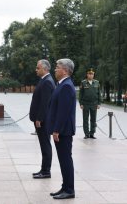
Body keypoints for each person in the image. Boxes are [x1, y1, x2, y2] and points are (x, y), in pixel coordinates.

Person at [47, 59, 76, 200]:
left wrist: (57, 130)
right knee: (63, 159)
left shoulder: (66, 86)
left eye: (58, 68)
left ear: (66, 70)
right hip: (61, 130)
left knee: (65, 160)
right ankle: (65, 187)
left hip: (63, 131)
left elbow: (63, 111)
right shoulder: (62, 85)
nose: (55, 70)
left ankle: (69, 189)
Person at [29, 60, 55, 179]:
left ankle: (46, 171)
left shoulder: (47, 82)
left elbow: (45, 103)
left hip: (44, 120)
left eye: (38, 68)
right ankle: (43, 169)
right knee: (44, 145)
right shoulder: (44, 80)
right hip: (42, 119)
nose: (36, 69)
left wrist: (39, 118)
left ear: (45, 69)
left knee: (45, 145)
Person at [79, 68, 102, 139]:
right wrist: (81, 103)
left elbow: (99, 94)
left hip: (94, 103)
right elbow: (81, 94)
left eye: (92, 74)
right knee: (85, 119)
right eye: (90, 74)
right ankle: (86, 133)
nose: (91, 75)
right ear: (87, 74)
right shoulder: (83, 82)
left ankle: (92, 133)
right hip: (86, 103)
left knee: (93, 119)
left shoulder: (97, 83)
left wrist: (99, 103)